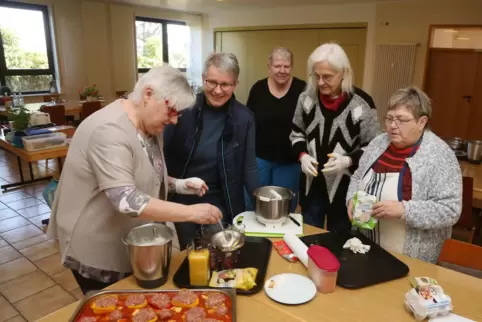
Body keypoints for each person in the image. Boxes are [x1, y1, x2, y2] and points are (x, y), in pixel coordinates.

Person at [47, 66, 222, 294]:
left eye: (178, 114)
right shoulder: (109, 131)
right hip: (97, 246)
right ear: (148, 95)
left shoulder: (148, 124)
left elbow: (140, 173)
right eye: (171, 111)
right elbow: (126, 199)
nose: (175, 121)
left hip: (129, 238)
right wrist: (191, 213)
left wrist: (178, 184)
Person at [346, 86, 462, 263]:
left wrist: (404, 210)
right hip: (367, 246)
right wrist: (351, 200)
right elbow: (357, 176)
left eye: (401, 120)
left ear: (421, 122)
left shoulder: (440, 155)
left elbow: (450, 210)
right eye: (390, 118)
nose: (393, 126)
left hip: (411, 258)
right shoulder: (378, 143)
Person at [164, 52, 260, 250]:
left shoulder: (245, 118)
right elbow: (161, 155)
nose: (217, 90)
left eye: (225, 84)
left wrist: (261, 206)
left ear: (235, 84)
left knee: (221, 255)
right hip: (183, 199)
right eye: (212, 82)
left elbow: (249, 167)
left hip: (223, 200)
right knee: (190, 255)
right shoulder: (183, 110)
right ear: (203, 79)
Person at [290, 43, 380, 233]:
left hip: (345, 188)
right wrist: (302, 155)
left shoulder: (362, 104)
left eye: (328, 77)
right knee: (309, 236)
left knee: (340, 240)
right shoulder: (306, 99)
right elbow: (296, 133)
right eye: (317, 76)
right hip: (311, 185)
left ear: (344, 74)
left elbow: (373, 147)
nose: (321, 82)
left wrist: (348, 160)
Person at [245, 47, 306, 212]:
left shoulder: (303, 90)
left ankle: (282, 238)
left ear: (292, 67)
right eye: (277, 66)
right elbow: (248, 122)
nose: (282, 70)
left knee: (284, 206)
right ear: (269, 67)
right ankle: (254, 237)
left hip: (290, 161)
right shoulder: (258, 89)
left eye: (286, 66)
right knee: (255, 202)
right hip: (260, 158)